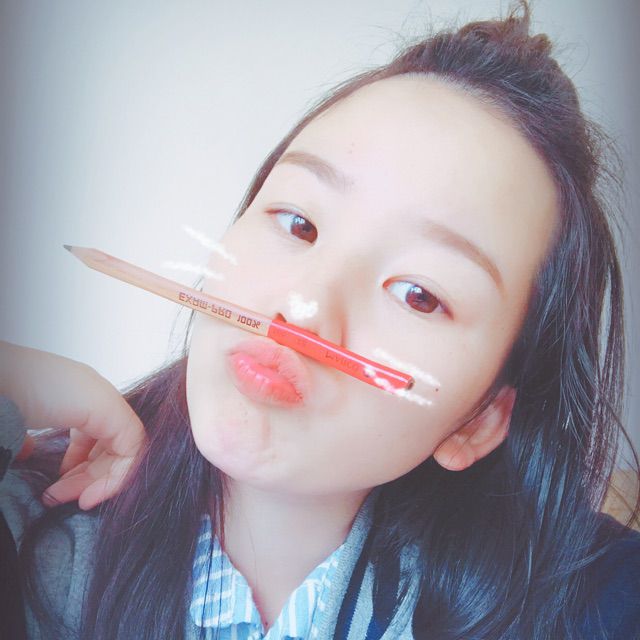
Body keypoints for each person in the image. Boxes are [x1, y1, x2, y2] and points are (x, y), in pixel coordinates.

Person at [1, 2, 639, 638]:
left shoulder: (600, 602)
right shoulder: (30, 524)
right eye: (299, 224)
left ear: (479, 420)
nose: (304, 303)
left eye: (419, 293)